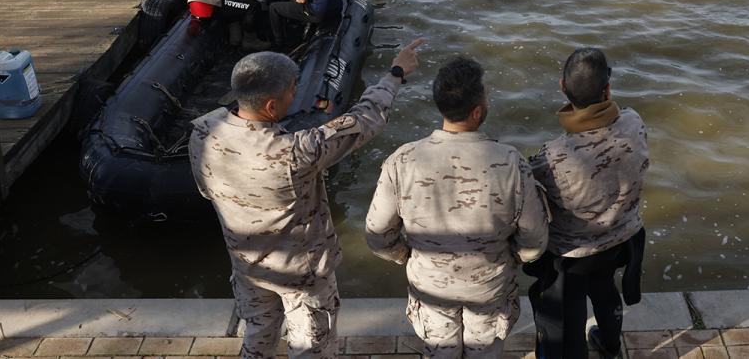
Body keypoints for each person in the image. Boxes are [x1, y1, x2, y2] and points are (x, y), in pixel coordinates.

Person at [189, 39, 424, 359]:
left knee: (258, 333)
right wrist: (395, 73)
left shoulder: (202, 132)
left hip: (246, 264)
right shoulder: (296, 152)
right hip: (301, 273)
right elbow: (365, 119)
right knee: (311, 346)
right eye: (291, 89)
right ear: (271, 106)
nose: (294, 94)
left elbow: (207, 191)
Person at [365, 56, 548, 359]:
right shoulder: (511, 162)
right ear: (477, 111)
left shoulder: (403, 160)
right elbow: (535, 240)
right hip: (489, 286)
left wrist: (406, 255)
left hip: (430, 287)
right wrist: (511, 258)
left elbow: (377, 235)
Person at [526, 48, 649, 359]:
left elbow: (533, 198)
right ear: (607, 89)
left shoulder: (553, 156)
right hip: (622, 240)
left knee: (569, 315)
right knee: (606, 293)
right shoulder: (634, 123)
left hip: (573, 255)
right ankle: (610, 345)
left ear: (562, 88)